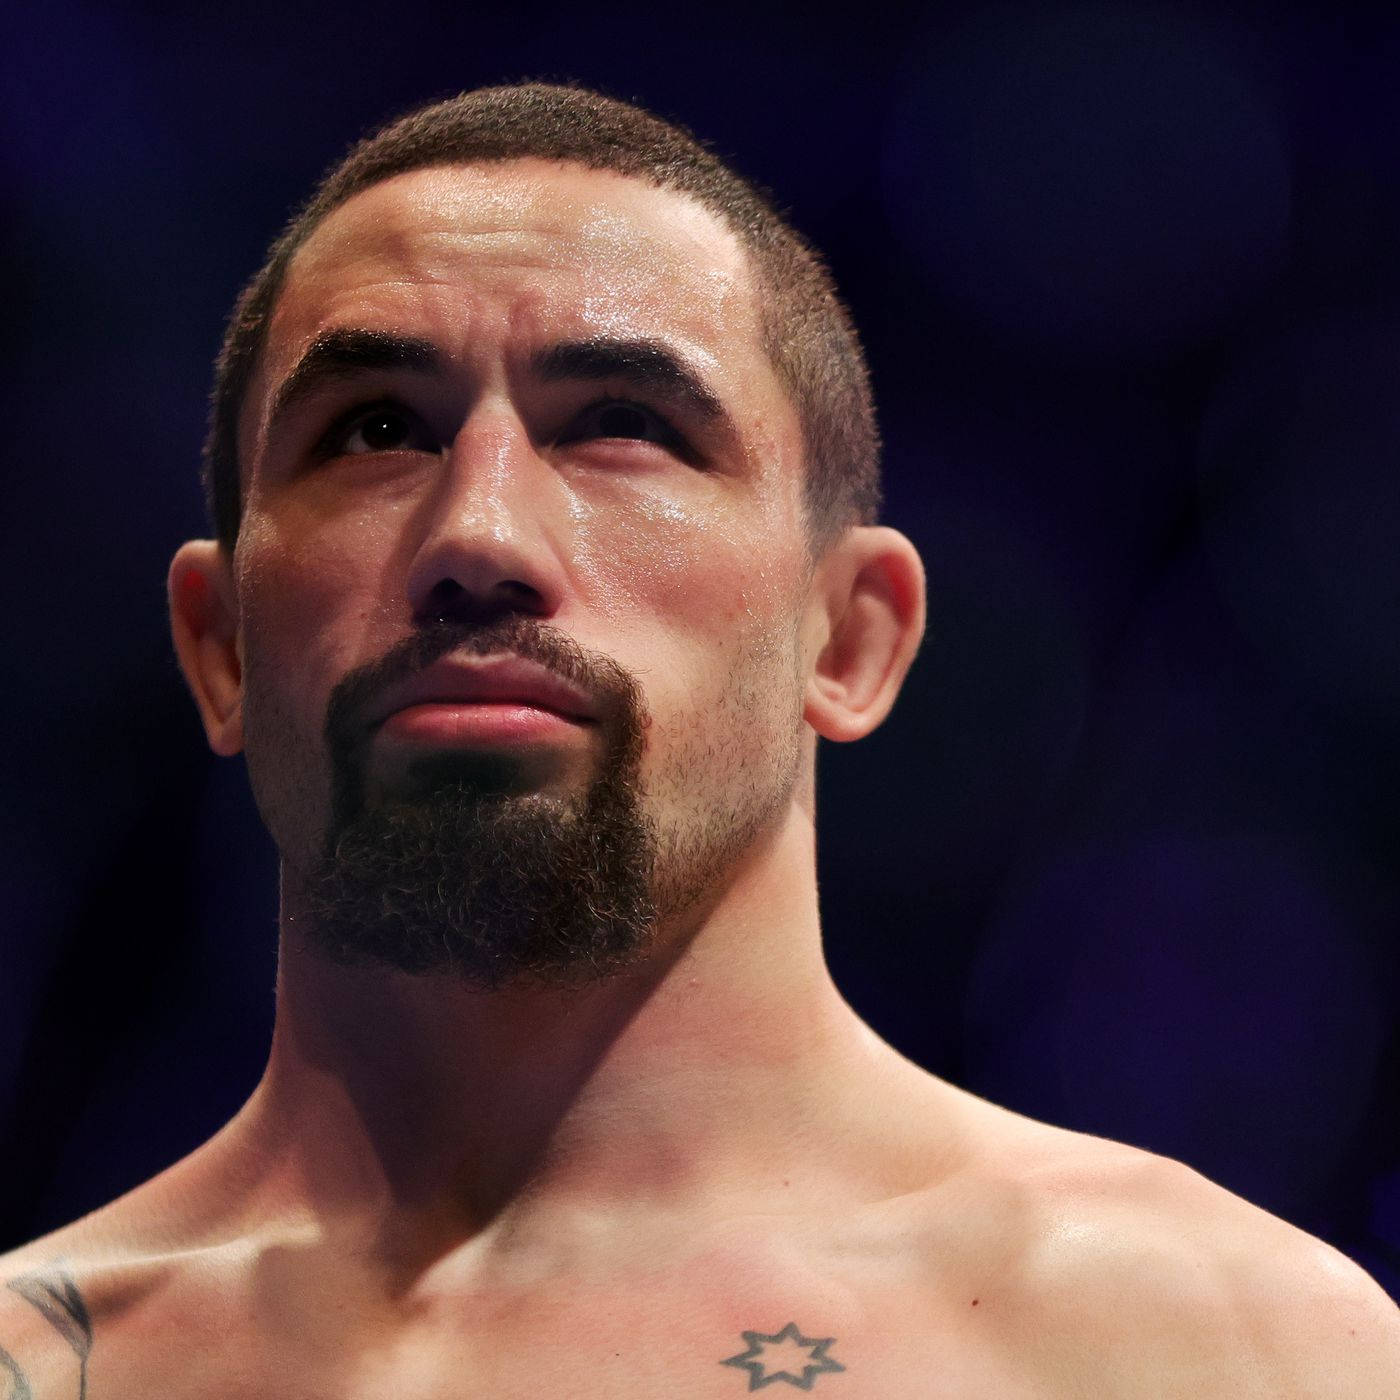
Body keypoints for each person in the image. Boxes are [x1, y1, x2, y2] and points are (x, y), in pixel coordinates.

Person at [1, 82, 1395, 1399]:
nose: (477, 536)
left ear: (847, 639)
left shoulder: (1221, 1349)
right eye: (375, 430)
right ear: (221, 646)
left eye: (623, 426)